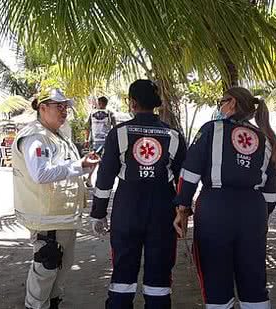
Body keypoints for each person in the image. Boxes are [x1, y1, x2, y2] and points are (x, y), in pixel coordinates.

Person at [174, 87, 276, 308]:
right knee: (253, 279)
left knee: (215, 279)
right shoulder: (265, 137)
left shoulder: (212, 130)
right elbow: (271, 192)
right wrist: (259, 218)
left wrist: (182, 207)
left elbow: (190, 173)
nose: (220, 106)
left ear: (231, 103)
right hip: (254, 211)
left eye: (221, 102)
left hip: (216, 209)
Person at [90, 79, 187, 309]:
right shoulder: (173, 135)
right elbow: (184, 178)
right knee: (159, 278)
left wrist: (98, 213)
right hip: (163, 213)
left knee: (122, 276)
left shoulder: (118, 133)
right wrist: (183, 211)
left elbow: (105, 179)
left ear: (132, 103)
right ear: (155, 103)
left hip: (126, 212)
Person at [12, 88, 99, 309]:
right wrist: (77, 166)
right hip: (46, 218)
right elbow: (41, 174)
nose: (64, 111)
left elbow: (64, 169)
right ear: (42, 108)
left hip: (62, 218)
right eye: (58, 106)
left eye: (65, 107)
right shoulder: (36, 137)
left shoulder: (57, 136)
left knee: (59, 271)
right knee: (46, 267)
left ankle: (52, 304)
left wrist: (83, 166)